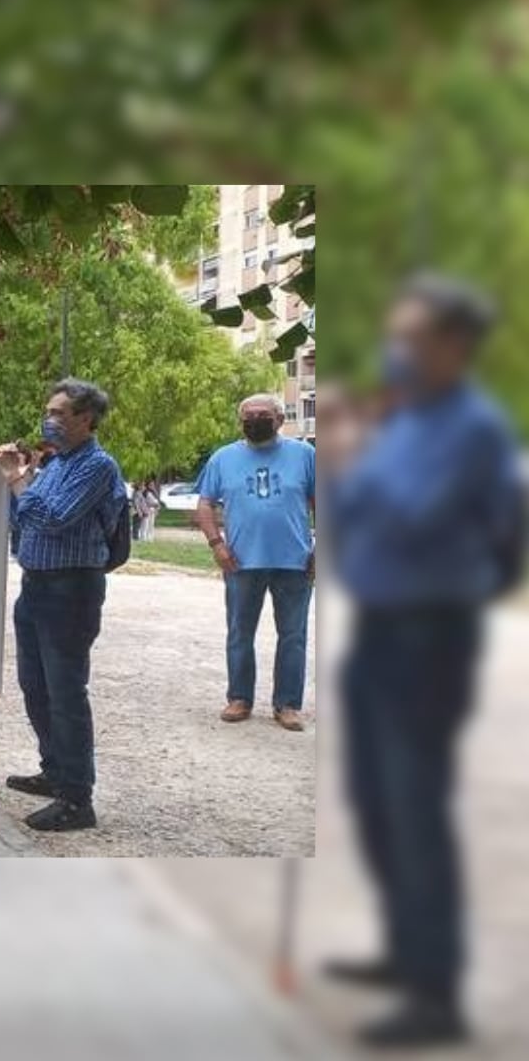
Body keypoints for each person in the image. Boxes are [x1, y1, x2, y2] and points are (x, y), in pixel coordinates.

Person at [322, 276, 523, 1048]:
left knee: (414, 806)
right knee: (373, 800)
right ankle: (402, 951)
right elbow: (351, 520)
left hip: (428, 631)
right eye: (395, 335)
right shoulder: (403, 420)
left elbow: (410, 515)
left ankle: (436, 991)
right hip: (378, 624)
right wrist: (350, 469)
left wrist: (347, 455)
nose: (395, 352)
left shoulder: (470, 427)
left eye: (412, 338)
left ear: (454, 346)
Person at [0, 378, 125, 833]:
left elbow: (50, 519)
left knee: (66, 692)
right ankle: (54, 769)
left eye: (59, 414)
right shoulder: (55, 465)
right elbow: (21, 519)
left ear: (85, 419)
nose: (49, 421)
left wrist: (16, 479)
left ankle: (77, 797)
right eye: (48, 412)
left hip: (71, 590)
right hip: (36, 586)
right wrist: (16, 481)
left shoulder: (97, 466)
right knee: (36, 685)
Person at [195, 397, 317, 731]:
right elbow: (205, 504)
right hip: (240, 561)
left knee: (293, 635)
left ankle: (288, 704)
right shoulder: (223, 458)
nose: (255, 420)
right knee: (239, 633)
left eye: (263, 415)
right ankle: (239, 698)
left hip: (295, 562)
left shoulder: (305, 455)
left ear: (279, 419)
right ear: (239, 421)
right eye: (248, 416)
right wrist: (216, 543)